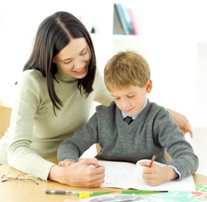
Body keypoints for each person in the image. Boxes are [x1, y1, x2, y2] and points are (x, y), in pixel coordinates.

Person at [0, 11, 192, 187]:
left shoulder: (92, 76)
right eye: (67, 61)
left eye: (84, 53)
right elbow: (16, 150)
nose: (79, 65)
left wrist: (165, 112)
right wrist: (62, 173)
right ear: (52, 59)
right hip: (20, 170)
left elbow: (126, 101)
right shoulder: (31, 82)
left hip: (66, 168)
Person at [57, 51, 198, 187]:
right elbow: (70, 145)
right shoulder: (103, 116)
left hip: (148, 190)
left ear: (148, 86)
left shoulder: (159, 118)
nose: (124, 104)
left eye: (130, 96)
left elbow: (189, 158)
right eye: (117, 98)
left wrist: (167, 173)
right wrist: (69, 163)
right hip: (106, 188)